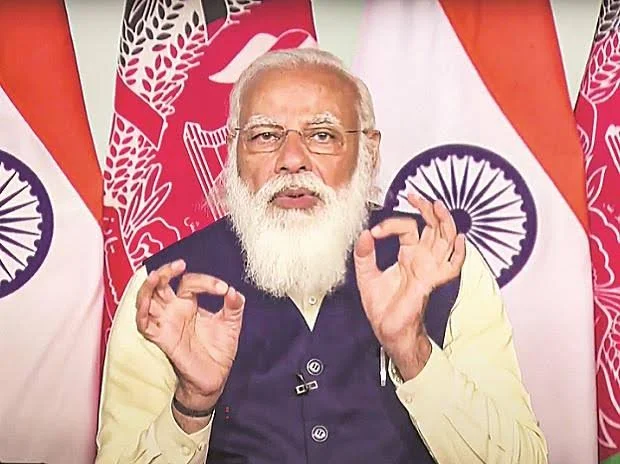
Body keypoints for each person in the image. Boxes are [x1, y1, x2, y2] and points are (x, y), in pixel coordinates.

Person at [95, 48, 547, 463]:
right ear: (234, 152)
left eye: (323, 135)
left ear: (369, 151)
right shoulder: (168, 292)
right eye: (265, 136)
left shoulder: (441, 265)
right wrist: (192, 406)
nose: (292, 159)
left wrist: (414, 352)